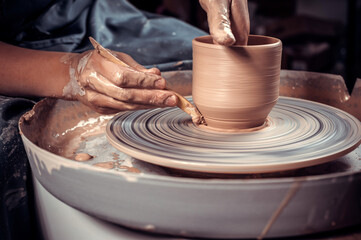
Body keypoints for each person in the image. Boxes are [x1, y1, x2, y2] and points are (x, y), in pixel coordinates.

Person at [0, 0, 249, 239]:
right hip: (10, 58)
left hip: (78, 13)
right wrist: (70, 72)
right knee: (10, 145)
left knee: (207, 58)